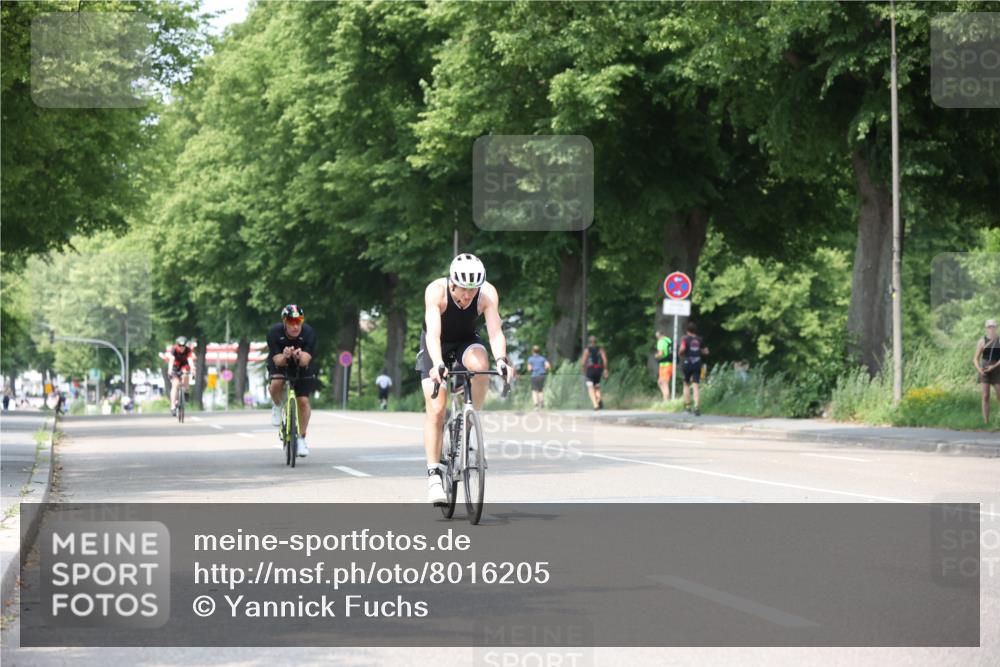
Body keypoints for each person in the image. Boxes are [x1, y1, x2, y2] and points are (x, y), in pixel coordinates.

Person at [417, 253, 511, 505]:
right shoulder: (436, 291)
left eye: (473, 290)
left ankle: (471, 419)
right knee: (436, 410)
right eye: (464, 290)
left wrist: (502, 359)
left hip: (467, 340)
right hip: (436, 344)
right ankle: (434, 475)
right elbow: (434, 335)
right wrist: (438, 364)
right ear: (452, 282)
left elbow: (494, 331)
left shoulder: (487, 294)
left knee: (481, 367)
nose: (468, 295)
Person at [267, 304, 316, 457]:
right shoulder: (274, 333)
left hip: (300, 365)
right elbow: (278, 361)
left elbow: (305, 361)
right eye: (291, 322)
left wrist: (298, 356)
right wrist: (286, 355)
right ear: (284, 322)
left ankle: (301, 438)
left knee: (303, 402)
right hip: (280, 362)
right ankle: (277, 406)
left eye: (298, 321)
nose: (295, 326)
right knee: (276, 383)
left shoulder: (308, 333)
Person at [679, 322, 709, 416]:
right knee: (695, 385)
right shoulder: (700, 339)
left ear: (687, 330)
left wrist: (680, 353)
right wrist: (699, 350)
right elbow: (706, 352)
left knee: (686, 384)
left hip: (688, 362)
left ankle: (687, 407)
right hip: (697, 362)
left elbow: (682, 349)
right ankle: (696, 407)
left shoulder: (685, 338)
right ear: (695, 330)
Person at [974, 319, 1000, 425]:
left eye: (993, 326)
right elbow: (975, 358)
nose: (991, 329)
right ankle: (986, 422)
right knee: (985, 395)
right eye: (989, 327)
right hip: (984, 369)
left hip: (996, 369)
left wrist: (993, 367)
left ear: (996, 327)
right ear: (986, 328)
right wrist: (979, 368)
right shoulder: (982, 341)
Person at [168, 336, 196, 416]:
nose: (181, 347)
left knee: (185, 375)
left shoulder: (188, 350)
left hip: (184, 366)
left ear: (185, 345)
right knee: (175, 385)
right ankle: (173, 406)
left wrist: (193, 368)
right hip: (175, 367)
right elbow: (171, 360)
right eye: (180, 346)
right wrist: (170, 370)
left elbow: (190, 360)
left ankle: (186, 391)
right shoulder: (174, 350)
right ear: (177, 345)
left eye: (183, 346)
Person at [580, 335, 608, 410]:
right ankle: (599, 400)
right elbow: (605, 360)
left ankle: (595, 404)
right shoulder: (600, 349)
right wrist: (605, 369)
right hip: (598, 369)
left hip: (590, 369)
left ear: (589, 342)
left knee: (590, 387)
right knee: (597, 387)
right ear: (596, 342)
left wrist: (583, 370)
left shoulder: (587, 350)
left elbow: (583, 362)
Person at [525, 345, 551, 409]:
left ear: (532, 351)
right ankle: (541, 401)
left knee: (534, 391)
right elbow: (548, 366)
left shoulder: (530, 359)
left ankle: (536, 405)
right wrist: (543, 369)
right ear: (539, 351)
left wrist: (533, 369)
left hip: (534, 376)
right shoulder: (542, 358)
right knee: (540, 390)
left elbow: (529, 369)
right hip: (542, 375)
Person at [654, 330, 673, 402]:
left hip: (665, 365)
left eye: (657, 337)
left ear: (660, 335)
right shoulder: (669, 340)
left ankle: (666, 401)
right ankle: (665, 397)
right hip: (669, 364)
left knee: (664, 383)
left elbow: (661, 353)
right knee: (660, 382)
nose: (657, 338)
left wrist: (656, 356)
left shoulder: (661, 341)